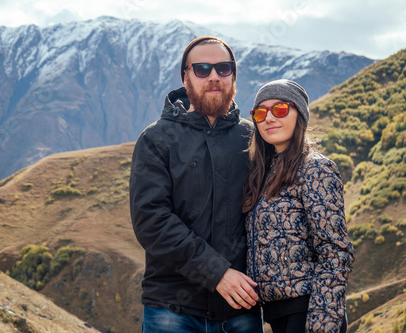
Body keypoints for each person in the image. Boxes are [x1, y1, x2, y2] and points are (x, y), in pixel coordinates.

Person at [129, 36, 263, 332]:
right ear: (185, 76)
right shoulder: (156, 140)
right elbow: (152, 221)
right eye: (202, 69)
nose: (213, 76)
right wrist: (218, 274)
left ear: (233, 75)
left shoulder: (253, 139)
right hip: (172, 311)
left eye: (223, 68)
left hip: (241, 309)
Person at [243, 79, 354, 332]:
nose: (269, 118)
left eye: (280, 109)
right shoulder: (262, 173)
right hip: (276, 314)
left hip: (309, 312)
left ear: (299, 115)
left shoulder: (315, 168)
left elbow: (335, 253)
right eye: (261, 113)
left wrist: (321, 324)